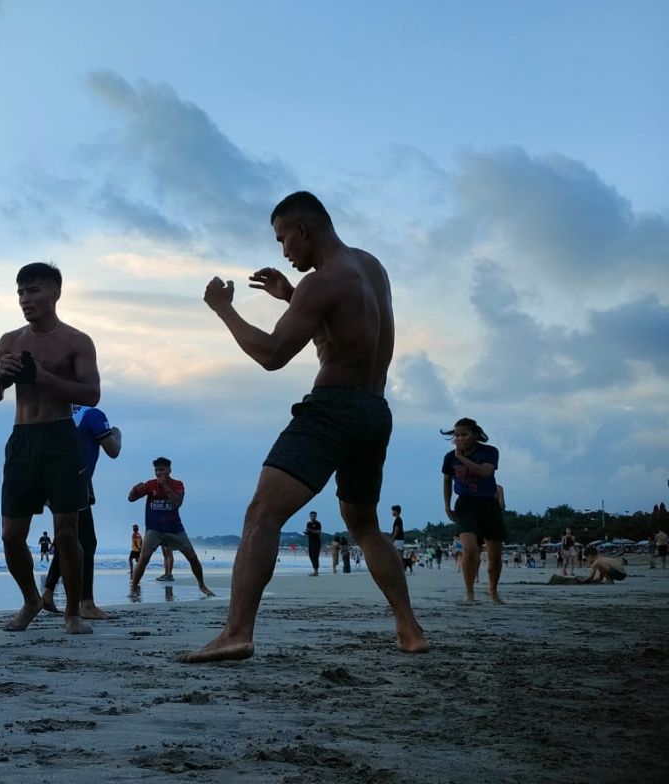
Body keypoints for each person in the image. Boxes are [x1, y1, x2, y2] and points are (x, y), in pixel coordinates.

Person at [183, 191, 427, 662]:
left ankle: (236, 632)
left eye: (282, 240)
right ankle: (410, 630)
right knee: (365, 525)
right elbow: (346, 329)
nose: (283, 252)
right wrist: (290, 296)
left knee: (262, 514)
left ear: (303, 230)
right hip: (373, 412)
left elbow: (273, 355)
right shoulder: (370, 268)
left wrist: (223, 308)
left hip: (331, 411)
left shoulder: (321, 282)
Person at [0, 262, 99, 635]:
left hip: (61, 437)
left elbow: (91, 394)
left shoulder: (76, 341)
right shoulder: (9, 340)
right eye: (20, 292)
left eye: (33, 291)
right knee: (10, 535)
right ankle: (32, 599)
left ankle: (73, 613)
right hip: (22, 439)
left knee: (67, 532)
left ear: (55, 293)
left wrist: (41, 377)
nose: (25, 299)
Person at [41, 404, 123, 618]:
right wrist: (117, 434)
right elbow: (113, 451)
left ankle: (48, 593)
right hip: (76, 480)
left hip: (49, 482)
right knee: (86, 543)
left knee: (67, 538)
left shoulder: (56, 413)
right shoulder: (92, 414)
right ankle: (86, 603)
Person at [128, 458, 215, 597]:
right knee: (144, 558)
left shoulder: (177, 484)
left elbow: (177, 503)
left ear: (169, 470)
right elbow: (131, 499)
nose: (158, 473)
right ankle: (134, 587)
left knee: (192, 557)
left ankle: (202, 585)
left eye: (161, 470)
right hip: (154, 529)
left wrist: (165, 486)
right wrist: (134, 490)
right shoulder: (150, 485)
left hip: (175, 529)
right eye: (156, 470)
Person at [442, 417, 504, 605]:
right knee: (469, 550)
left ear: (475, 435)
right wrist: (447, 505)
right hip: (465, 505)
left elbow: (485, 472)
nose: (459, 438)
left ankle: (492, 589)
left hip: (488, 504)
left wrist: (461, 458)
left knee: (495, 556)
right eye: (457, 435)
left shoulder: (489, 452)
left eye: (464, 434)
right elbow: (447, 481)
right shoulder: (449, 457)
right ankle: (469, 592)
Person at [548, 548, 628, 584]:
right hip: (622, 573)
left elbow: (591, 575)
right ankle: (609, 579)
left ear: (589, 556)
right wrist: (597, 580)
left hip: (619, 573)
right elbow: (601, 574)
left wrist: (584, 581)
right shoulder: (602, 560)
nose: (587, 560)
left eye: (586, 558)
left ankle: (610, 580)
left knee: (598, 565)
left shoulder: (597, 561)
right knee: (600, 567)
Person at [305, 511, 322, 576]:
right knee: (311, 556)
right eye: (312, 516)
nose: (313, 517)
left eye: (315, 516)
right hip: (310, 542)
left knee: (315, 556)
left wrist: (311, 530)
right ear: (310, 516)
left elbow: (318, 532)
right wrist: (306, 532)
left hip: (317, 542)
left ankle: (316, 572)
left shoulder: (318, 523)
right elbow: (308, 532)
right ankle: (314, 570)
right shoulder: (308, 523)